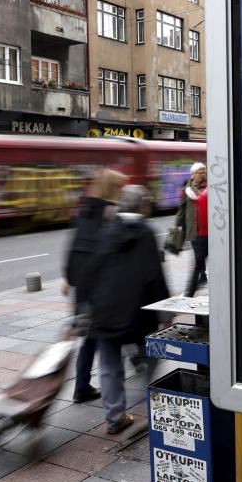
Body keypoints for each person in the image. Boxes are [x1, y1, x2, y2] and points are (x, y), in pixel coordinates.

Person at [79, 185, 169, 434]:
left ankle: (115, 418)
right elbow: (155, 275)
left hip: (105, 311)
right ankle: (153, 403)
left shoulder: (106, 230)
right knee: (151, 357)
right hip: (138, 310)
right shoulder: (147, 233)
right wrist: (165, 314)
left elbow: (91, 270)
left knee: (109, 365)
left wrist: (85, 307)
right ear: (142, 206)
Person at [63, 168, 126, 404]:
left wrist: (69, 278)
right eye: (120, 186)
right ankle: (118, 394)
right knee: (110, 336)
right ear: (113, 188)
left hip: (84, 288)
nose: (122, 190)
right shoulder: (111, 213)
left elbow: (73, 248)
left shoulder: (85, 211)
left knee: (90, 337)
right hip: (103, 287)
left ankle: (81, 386)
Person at [174, 163, 208, 296]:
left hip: (209, 230)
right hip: (194, 229)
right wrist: (176, 224)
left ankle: (190, 291)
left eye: (203, 172)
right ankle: (201, 276)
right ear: (193, 174)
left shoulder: (208, 187)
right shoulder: (186, 190)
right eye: (200, 172)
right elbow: (181, 209)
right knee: (198, 257)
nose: (202, 175)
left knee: (199, 258)